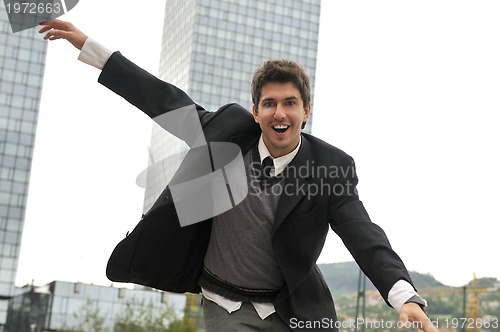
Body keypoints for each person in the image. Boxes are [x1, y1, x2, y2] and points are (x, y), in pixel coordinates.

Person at [39, 19, 437, 332]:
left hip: (292, 306)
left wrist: (404, 297)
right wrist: (90, 48)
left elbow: (363, 234)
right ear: (255, 112)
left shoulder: (330, 167)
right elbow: (161, 99)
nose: (279, 113)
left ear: (306, 111)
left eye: (290, 103)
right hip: (226, 303)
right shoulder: (225, 133)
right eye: (269, 104)